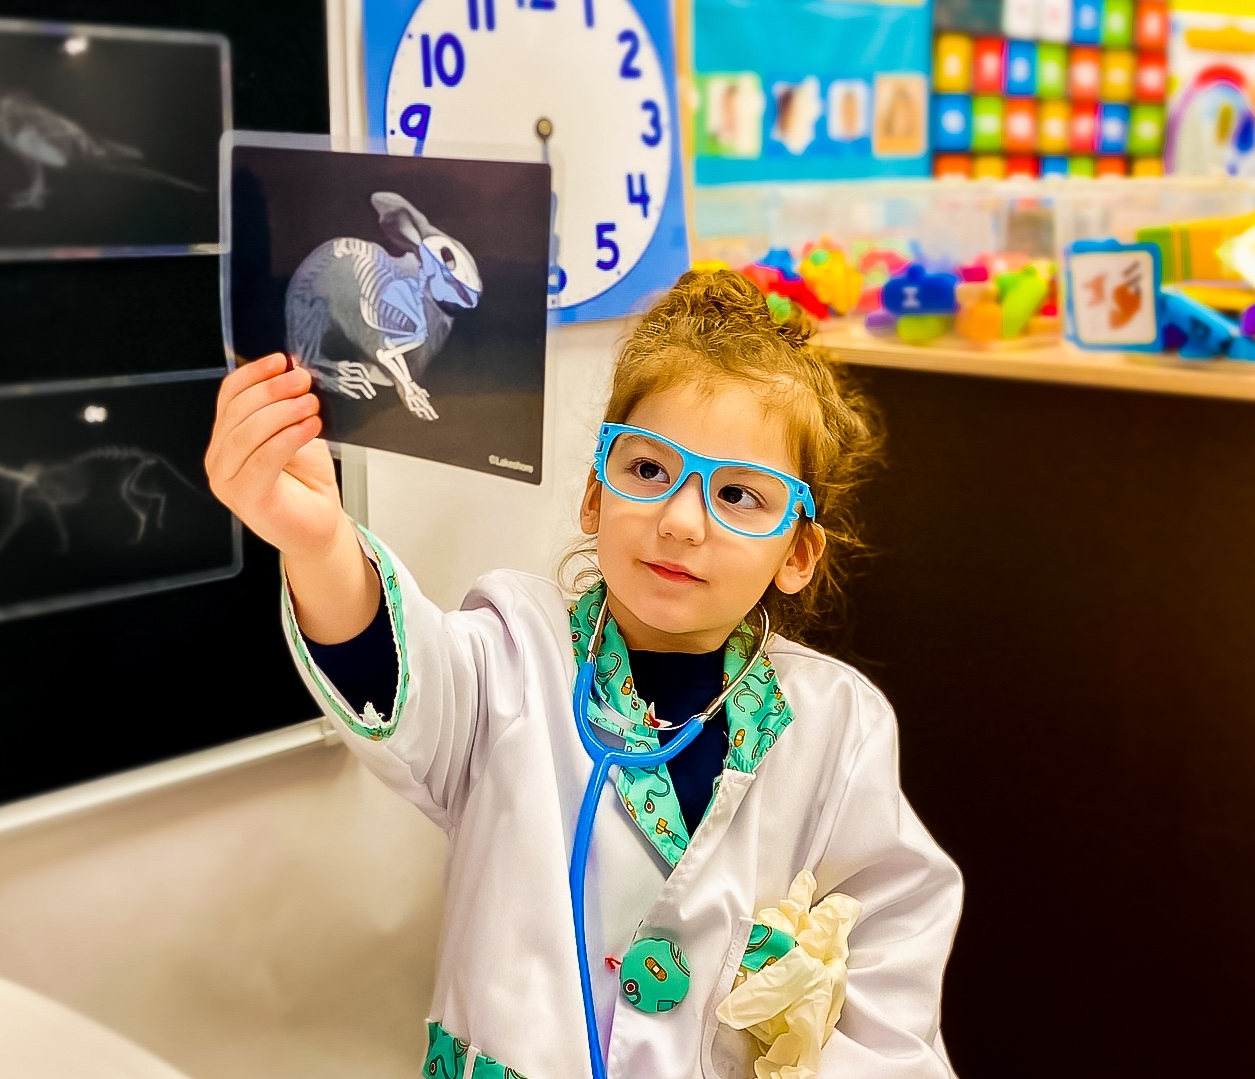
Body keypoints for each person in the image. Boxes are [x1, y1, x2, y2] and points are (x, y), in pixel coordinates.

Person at [205, 269, 962, 1079]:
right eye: (646, 471)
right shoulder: (517, 655)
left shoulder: (837, 726)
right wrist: (317, 544)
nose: (679, 519)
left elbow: (892, 956)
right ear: (594, 497)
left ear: (799, 551)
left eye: (740, 494)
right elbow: (396, 668)